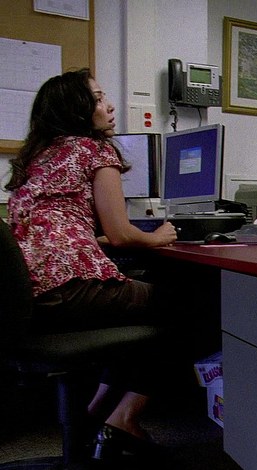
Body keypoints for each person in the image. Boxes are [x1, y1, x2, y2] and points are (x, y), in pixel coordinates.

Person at [4, 69, 178, 459]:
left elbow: (53, 227)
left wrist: (94, 239)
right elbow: (121, 235)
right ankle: (120, 418)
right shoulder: (93, 149)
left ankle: (94, 415)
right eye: (98, 98)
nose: (109, 106)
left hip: (29, 300)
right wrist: (159, 236)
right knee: (190, 305)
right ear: (76, 110)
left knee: (142, 306)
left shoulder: (36, 158)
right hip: (68, 291)